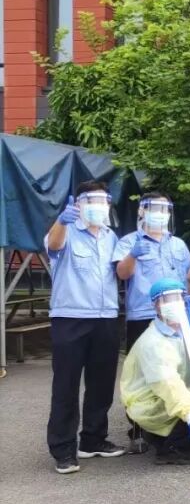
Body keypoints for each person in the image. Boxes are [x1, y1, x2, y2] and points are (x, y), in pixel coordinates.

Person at [45, 182, 126, 474]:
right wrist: (61, 221)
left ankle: (93, 439)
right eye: (91, 201)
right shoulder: (65, 230)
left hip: (106, 317)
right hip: (71, 317)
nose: (98, 206)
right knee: (66, 385)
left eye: (103, 201)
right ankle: (63, 449)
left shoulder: (110, 236)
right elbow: (54, 246)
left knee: (101, 383)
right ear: (78, 204)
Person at [113, 192, 190, 453]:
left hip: (175, 316)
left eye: (164, 209)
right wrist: (133, 255)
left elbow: (187, 279)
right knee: (142, 376)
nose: (159, 214)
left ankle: (176, 423)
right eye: (153, 208)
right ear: (142, 212)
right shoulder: (129, 241)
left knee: (177, 370)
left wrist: (188, 304)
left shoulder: (178, 244)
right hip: (142, 314)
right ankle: (137, 431)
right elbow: (122, 273)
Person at [119, 278, 190, 466]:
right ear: (156, 305)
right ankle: (171, 448)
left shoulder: (186, 331)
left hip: (175, 394)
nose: (175, 304)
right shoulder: (153, 342)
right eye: (167, 300)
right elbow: (168, 385)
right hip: (151, 400)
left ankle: (164, 435)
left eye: (179, 298)